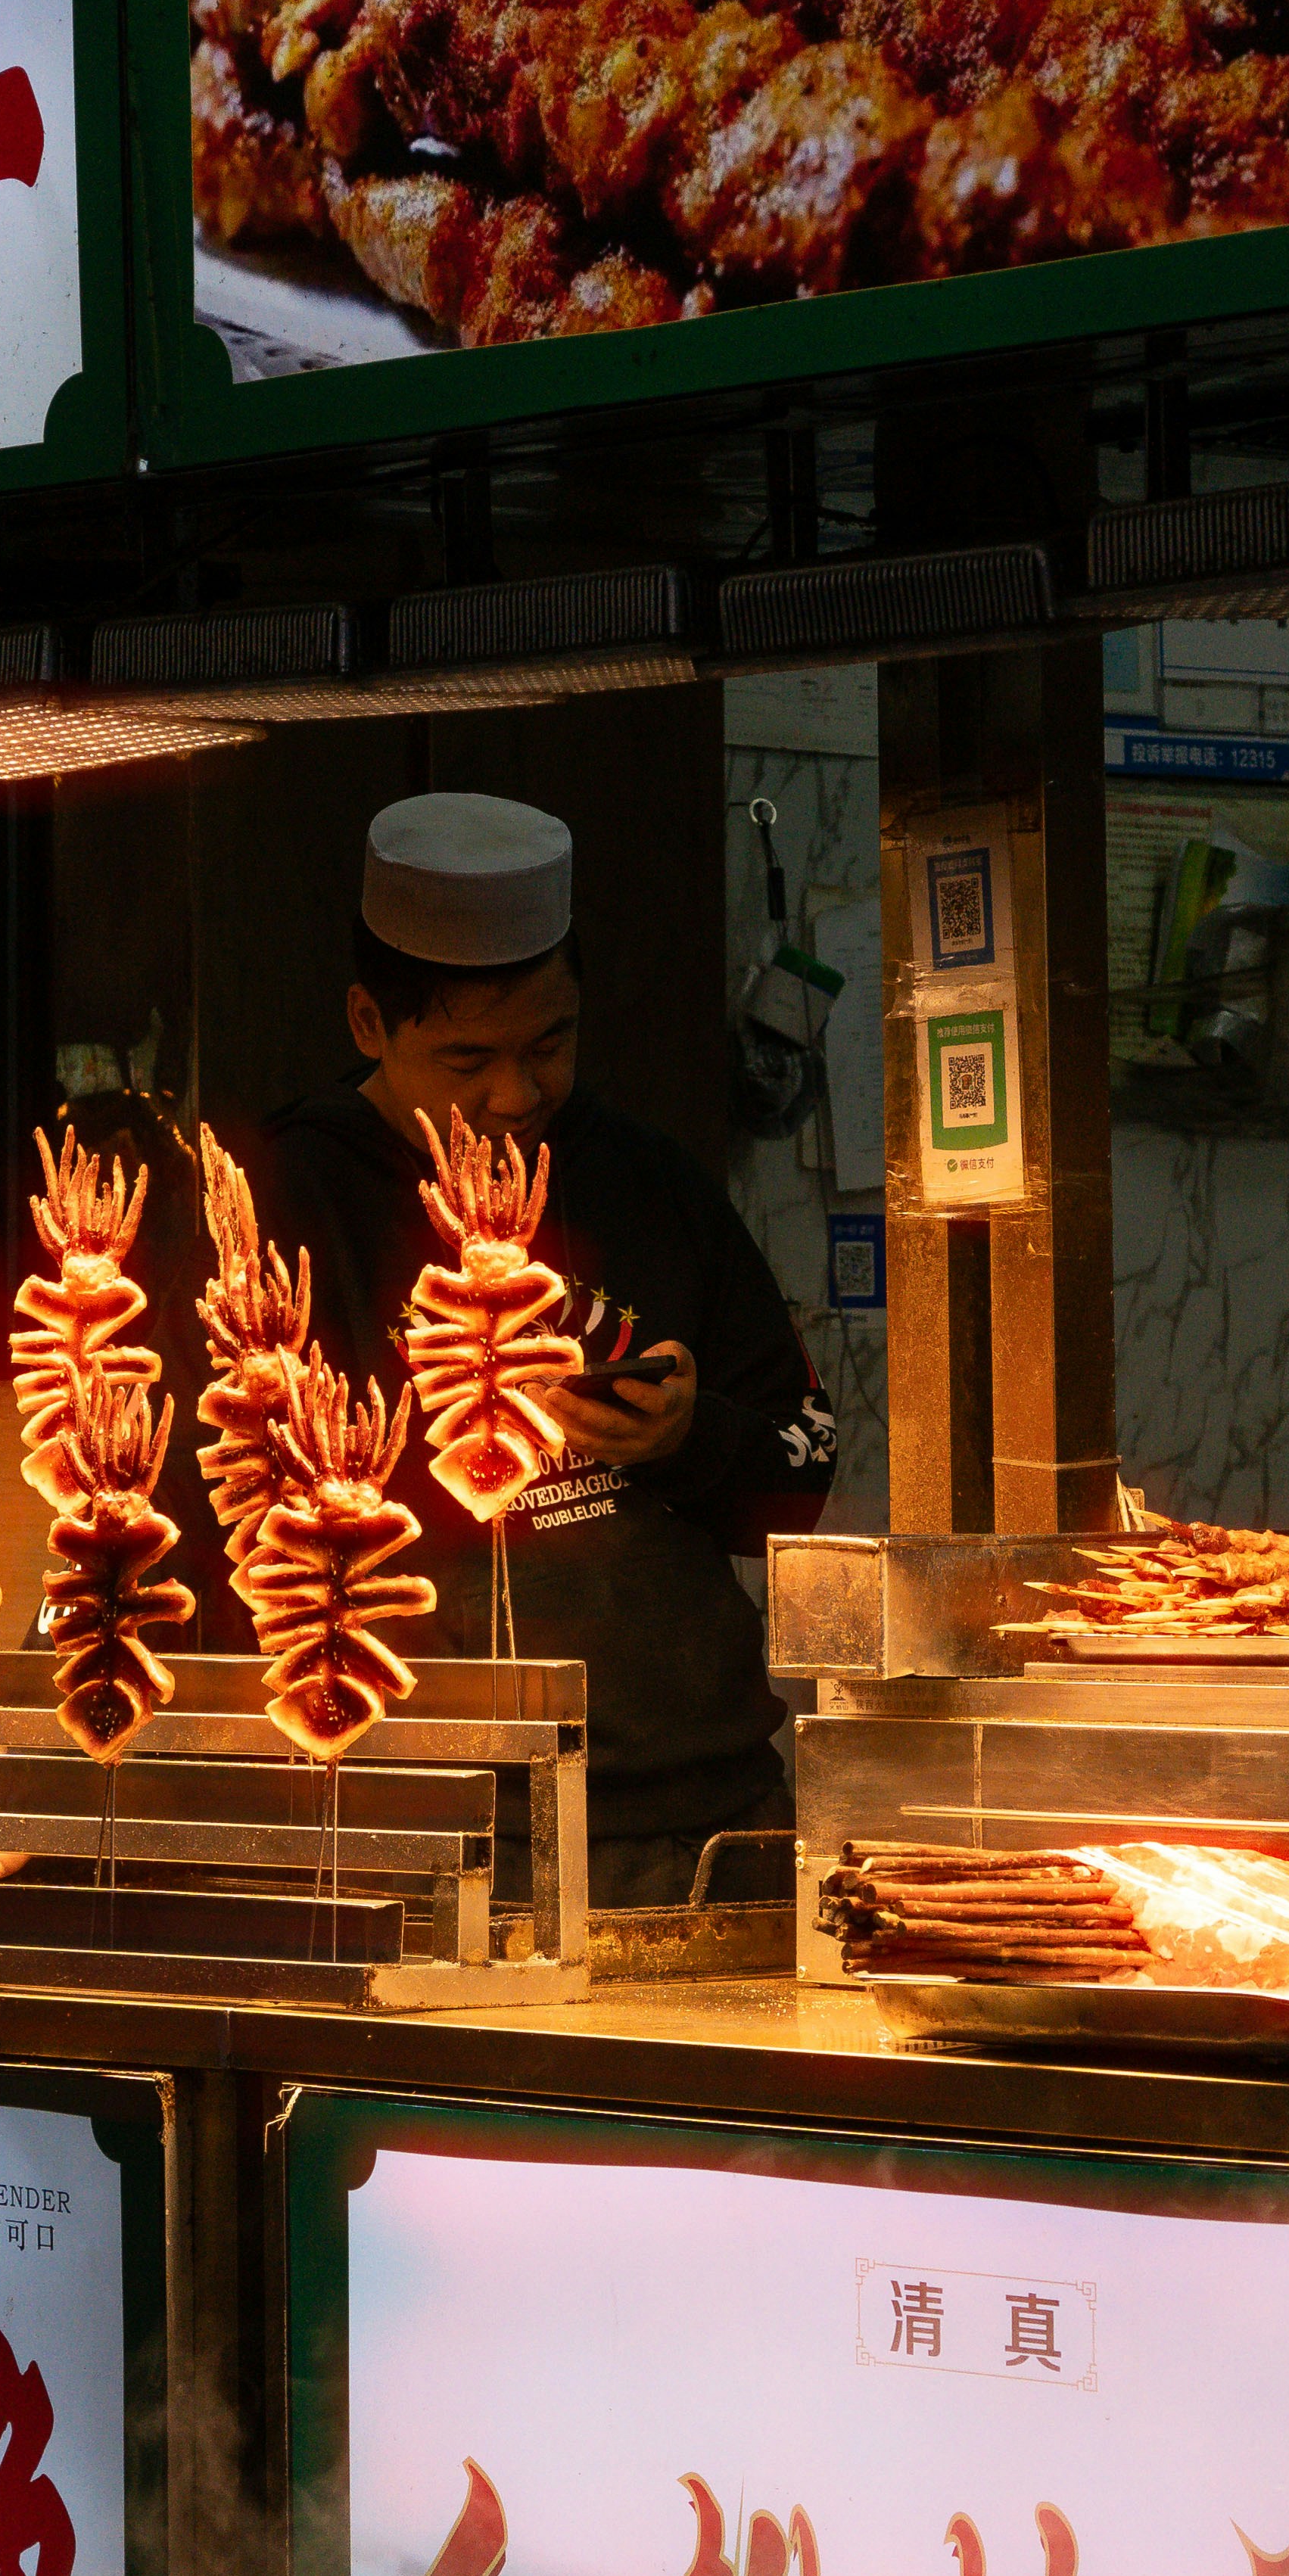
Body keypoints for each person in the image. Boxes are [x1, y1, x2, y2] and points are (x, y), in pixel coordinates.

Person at [235, 793, 835, 1909]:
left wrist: (688, 1435)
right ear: (370, 1023)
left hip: (703, 1828)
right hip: (413, 1833)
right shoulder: (287, 1200)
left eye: (549, 1044)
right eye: (467, 1060)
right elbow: (202, 1512)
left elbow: (800, 1479)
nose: (516, 1096)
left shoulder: (652, 1185)